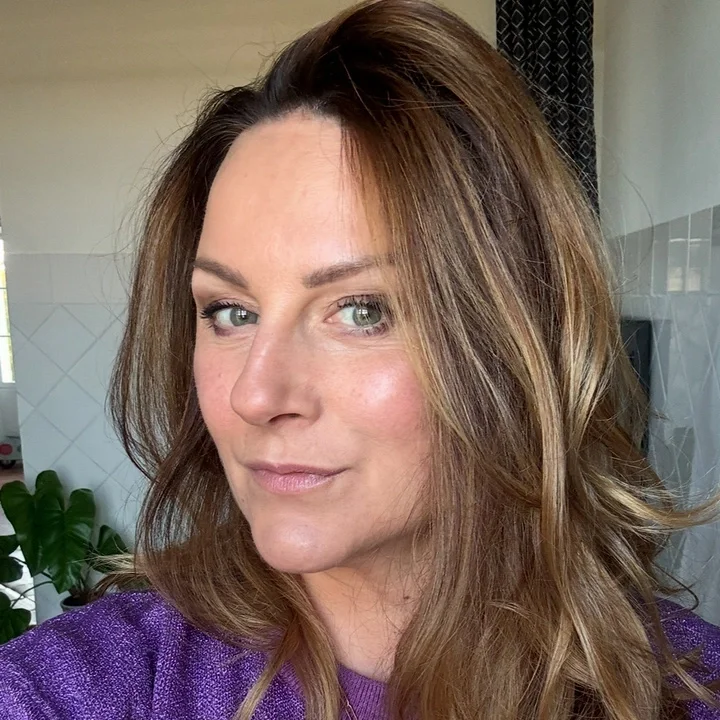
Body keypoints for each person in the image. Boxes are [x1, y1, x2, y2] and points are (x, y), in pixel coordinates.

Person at [2, 0, 720, 718]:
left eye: (362, 311)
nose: (255, 394)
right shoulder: (80, 686)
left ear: (510, 341)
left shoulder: (684, 690)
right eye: (231, 312)